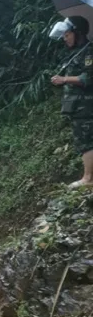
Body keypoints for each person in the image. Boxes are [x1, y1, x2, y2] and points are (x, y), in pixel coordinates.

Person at [50, 15, 93, 188]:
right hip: (77, 106)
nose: (64, 38)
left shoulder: (89, 52)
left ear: (78, 32)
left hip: (86, 106)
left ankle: (88, 178)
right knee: (83, 139)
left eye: (67, 34)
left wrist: (65, 79)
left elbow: (89, 78)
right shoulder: (77, 52)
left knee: (86, 140)